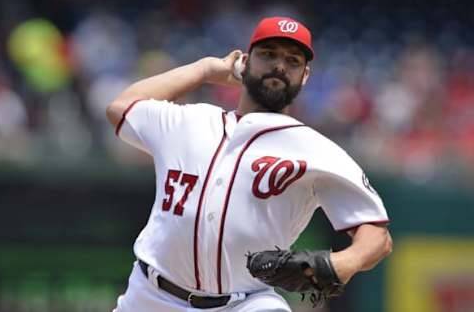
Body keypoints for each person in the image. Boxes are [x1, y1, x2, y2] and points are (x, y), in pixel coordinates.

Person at [106, 16, 392, 312]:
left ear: (305, 76)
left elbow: (376, 236)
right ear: (244, 62)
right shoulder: (189, 121)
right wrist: (204, 69)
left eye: (292, 61)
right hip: (151, 296)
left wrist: (343, 262)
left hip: (245, 304)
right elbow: (120, 107)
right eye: (268, 55)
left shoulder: (316, 150)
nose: (279, 66)